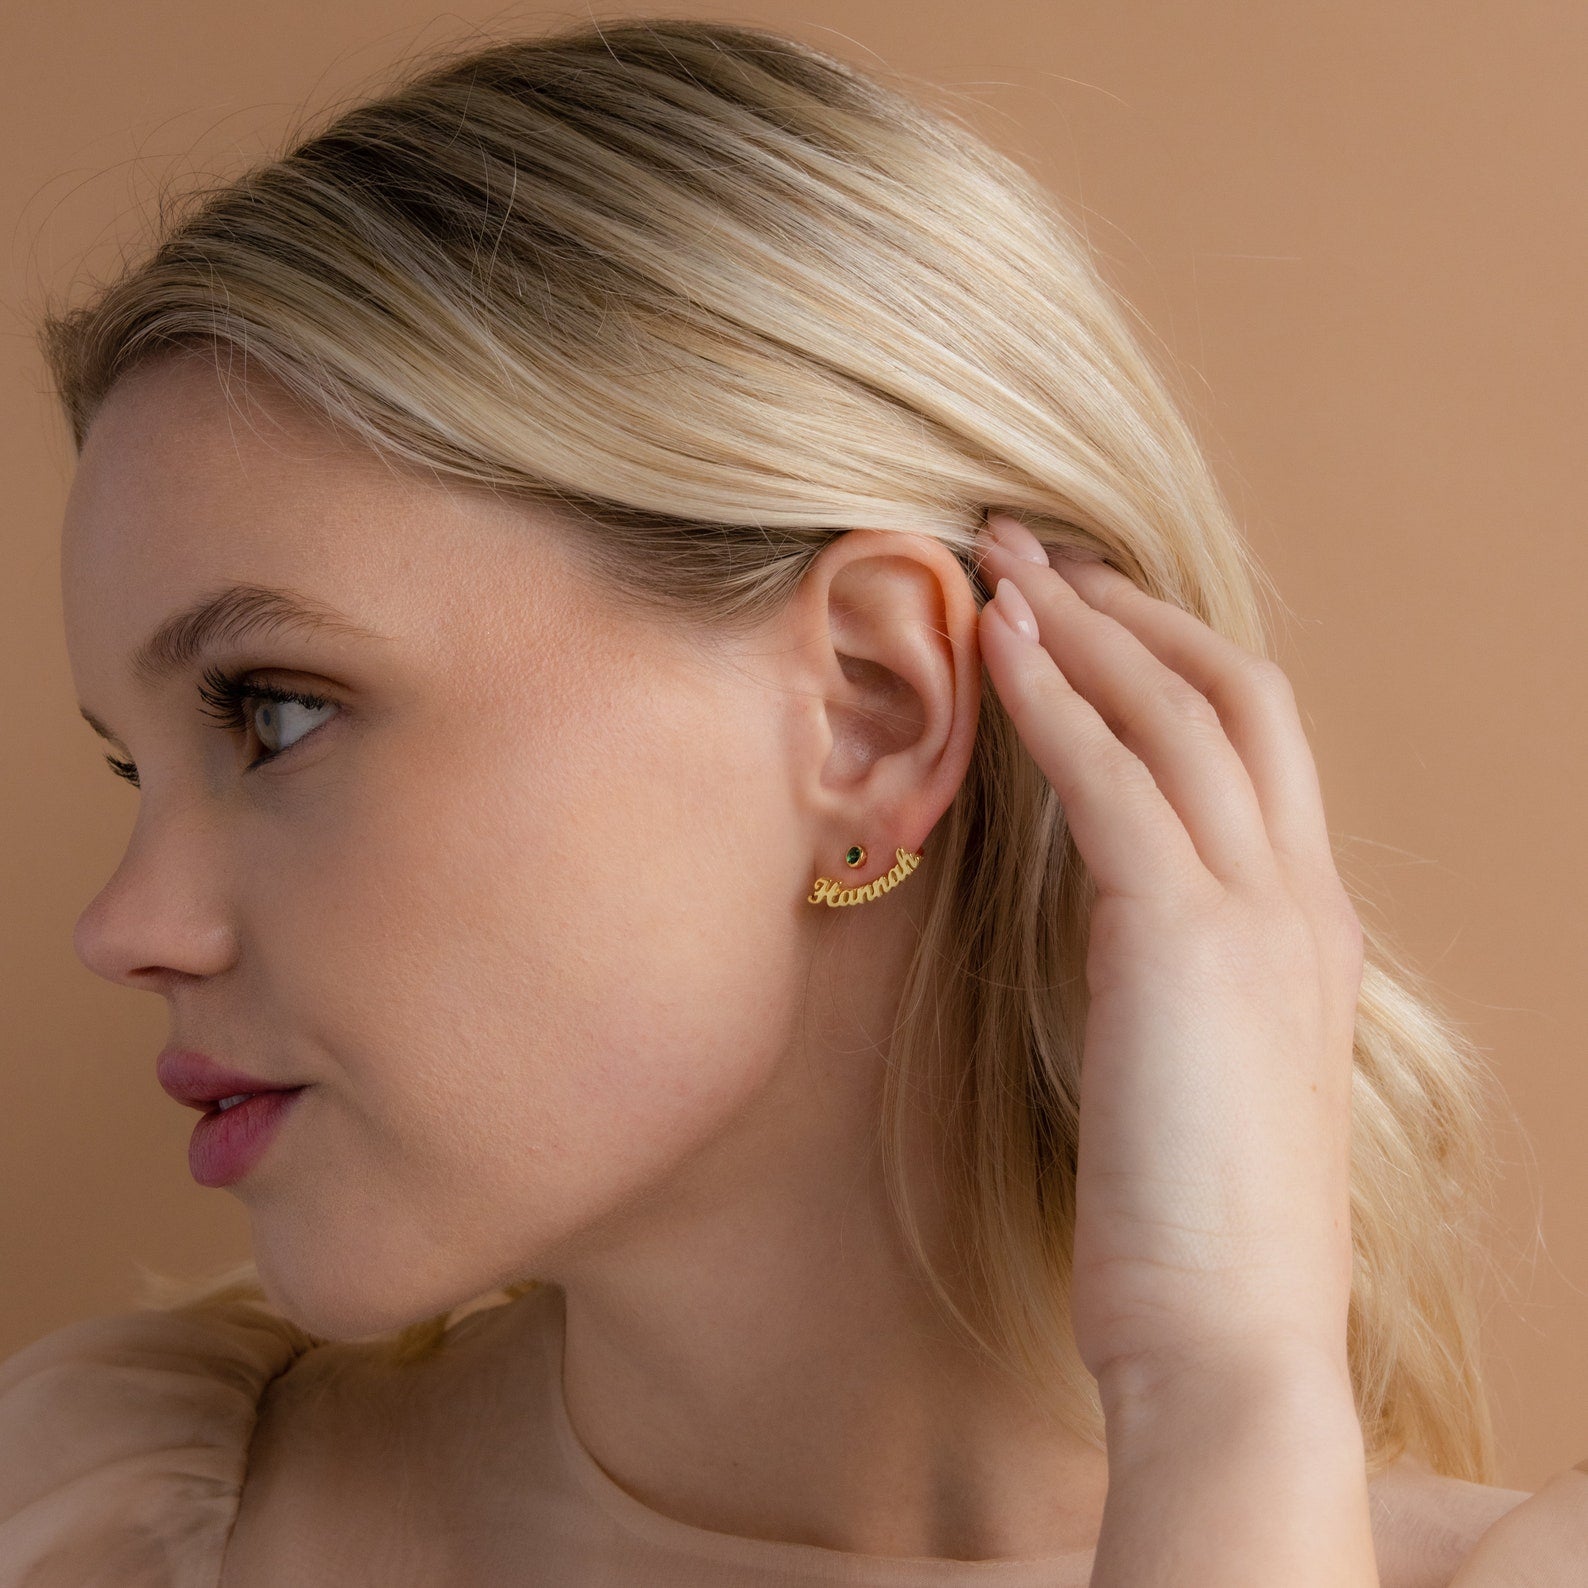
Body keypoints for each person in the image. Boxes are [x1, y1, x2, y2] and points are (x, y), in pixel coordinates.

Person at [2, 15, 1580, 1584]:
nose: (126, 926)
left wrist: (1224, 1405)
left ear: (871, 713)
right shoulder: (83, 1518)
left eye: (275, 713)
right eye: (138, 770)